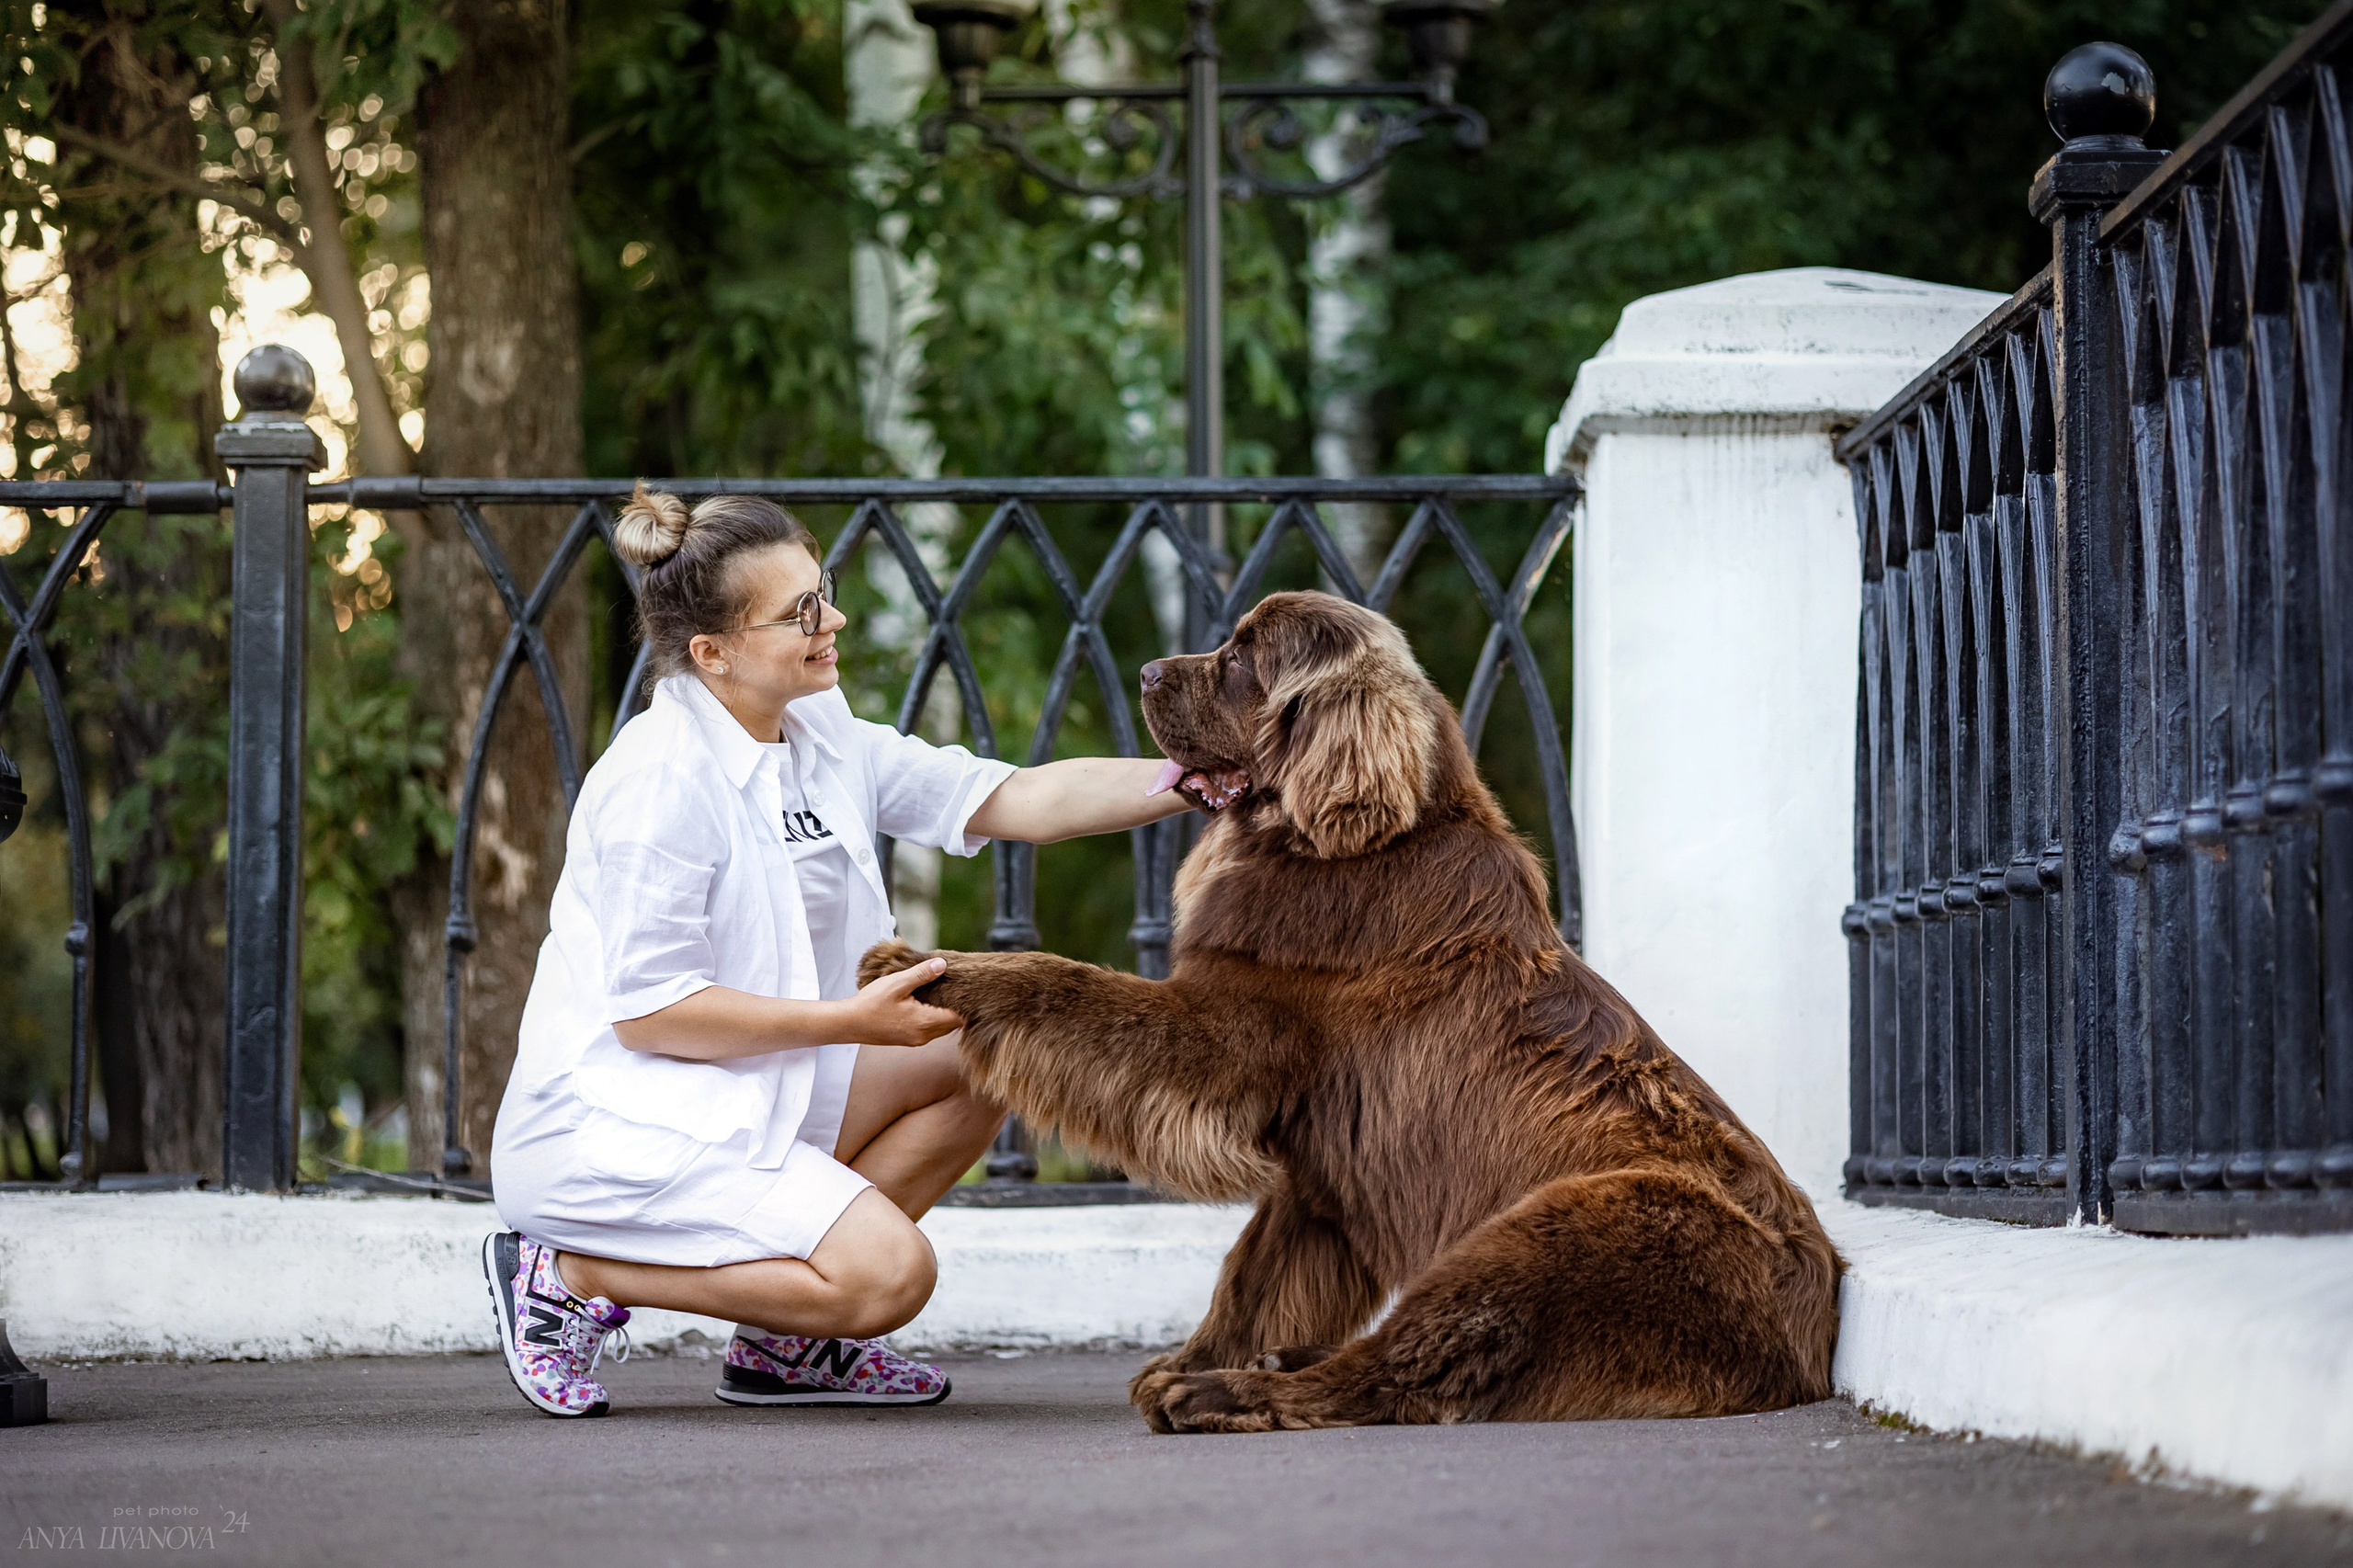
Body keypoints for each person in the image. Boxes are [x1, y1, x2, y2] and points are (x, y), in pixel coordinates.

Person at [483, 484, 1192, 1418]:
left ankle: (786, 1345)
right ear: (713, 652)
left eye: (824, 593)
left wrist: (1201, 779)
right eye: (800, 612)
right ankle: (566, 1267)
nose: (834, 619)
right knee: (890, 1277)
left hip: (757, 1081)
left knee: (985, 1050)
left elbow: (1010, 797)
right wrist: (847, 1022)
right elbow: (650, 1012)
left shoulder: (819, 732)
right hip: (626, 1122)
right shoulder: (658, 786)